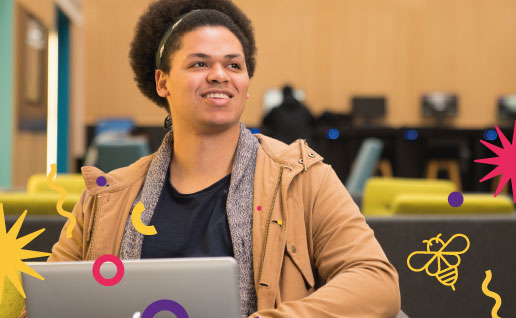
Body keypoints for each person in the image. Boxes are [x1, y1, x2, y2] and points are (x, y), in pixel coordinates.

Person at [23, 0, 401, 317]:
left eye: (234, 65)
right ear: (162, 82)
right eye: (199, 64)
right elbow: (50, 300)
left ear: (247, 84)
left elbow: (375, 280)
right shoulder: (105, 197)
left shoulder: (302, 177)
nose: (220, 75)